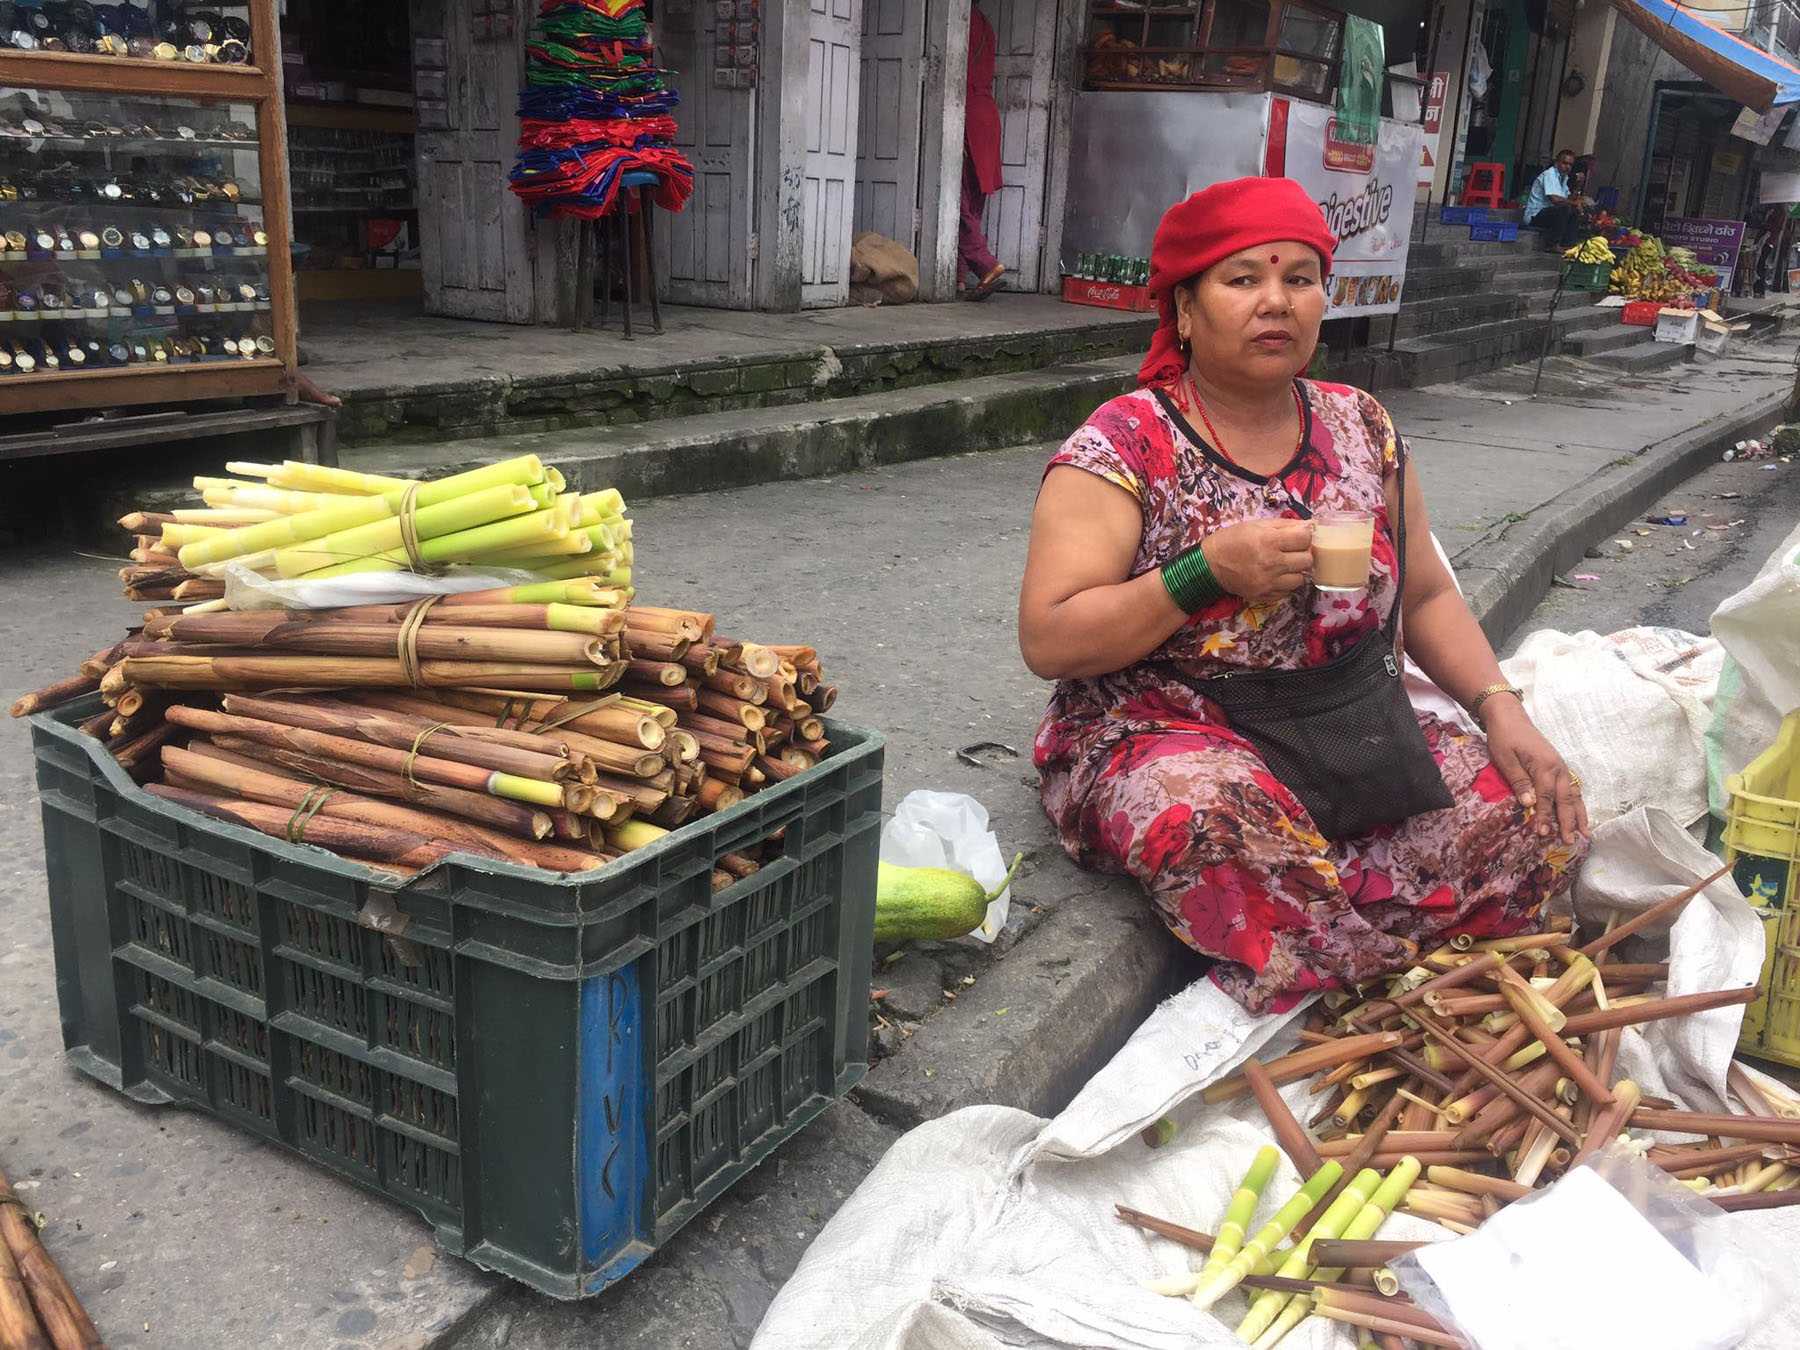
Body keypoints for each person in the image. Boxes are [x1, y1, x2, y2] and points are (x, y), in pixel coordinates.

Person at [1017, 178, 1589, 1013]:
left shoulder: (1362, 424)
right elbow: (1050, 638)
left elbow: (1425, 596)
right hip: (1169, 725)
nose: (1275, 302)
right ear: (1183, 308)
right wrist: (1200, 572)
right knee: (1211, 827)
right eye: (1242, 279)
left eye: (1299, 278)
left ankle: (1323, 932)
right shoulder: (1122, 441)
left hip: (1342, 723)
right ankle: (1372, 957)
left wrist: (1501, 708)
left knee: (1535, 821)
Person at [960, 5, 1005, 300]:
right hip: (987, 113)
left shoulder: (963, 18)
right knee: (974, 200)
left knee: (956, 200)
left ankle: (986, 264)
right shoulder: (985, 23)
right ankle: (958, 277)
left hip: (969, 112)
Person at [1524, 149, 1584, 252]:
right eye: (1564, 163)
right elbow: (1555, 199)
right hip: (1535, 216)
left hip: (1551, 214)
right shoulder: (1549, 174)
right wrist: (1574, 203)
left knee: (1573, 210)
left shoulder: (1563, 178)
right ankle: (1552, 244)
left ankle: (1568, 245)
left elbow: (1568, 199)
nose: (1567, 167)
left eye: (1570, 164)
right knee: (1564, 208)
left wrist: (1578, 186)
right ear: (1557, 162)